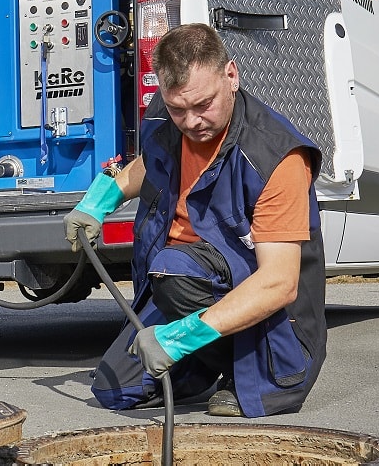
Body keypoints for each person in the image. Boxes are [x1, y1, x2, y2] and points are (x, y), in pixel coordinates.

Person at [66, 23, 327, 417]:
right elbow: (151, 161)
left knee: (174, 269)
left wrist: (179, 338)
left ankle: (245, 375)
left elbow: (279, 284)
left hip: (273, 329)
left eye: (203, 105)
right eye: (177, 109)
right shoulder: (168, 119)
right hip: (185, 286)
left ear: (232, 76)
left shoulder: (277, 158)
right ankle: (199, 367)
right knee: (113, 390)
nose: (190, 122)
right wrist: (100, 200)